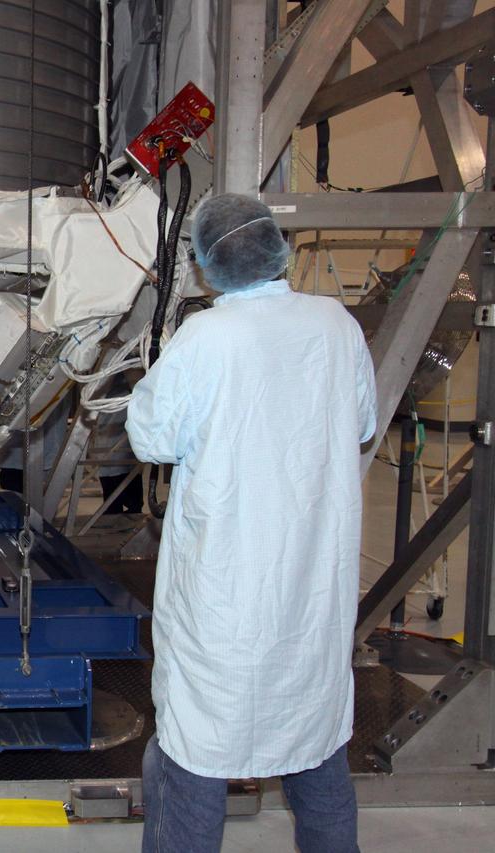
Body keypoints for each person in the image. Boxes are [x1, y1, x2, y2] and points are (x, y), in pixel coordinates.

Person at [126, 193, 375, 853]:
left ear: (206, 264)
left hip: (224, 595)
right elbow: (362, 421)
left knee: (195, 750)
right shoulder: (336, 325)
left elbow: (151, 437)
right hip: (312, 587)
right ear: (275, 247)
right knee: (317, 746)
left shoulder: (205, 338)